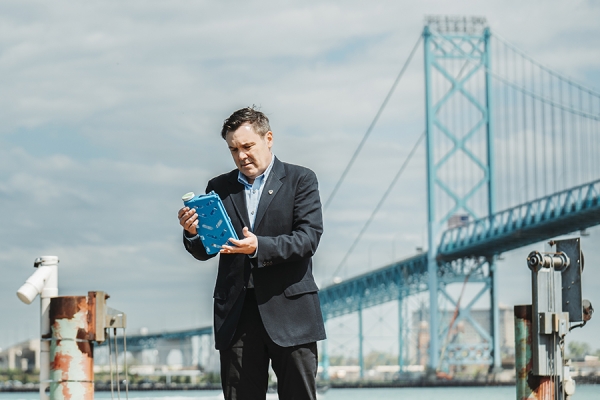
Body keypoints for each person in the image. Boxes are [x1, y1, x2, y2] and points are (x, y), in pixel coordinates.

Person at [178, 107, 326, 400]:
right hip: (237, 317)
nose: (241, 155)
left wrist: (259, 247)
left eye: (247, 146)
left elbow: (308, 239)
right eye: (233, 149)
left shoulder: (301, 180)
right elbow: (207, 248)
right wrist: (192, 233)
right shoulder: (218, 188)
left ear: (268, 138)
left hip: (291, 314)